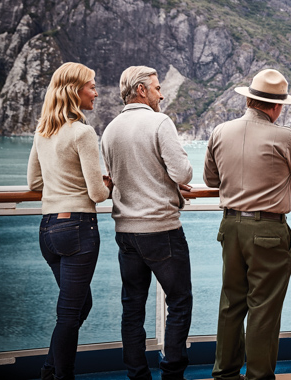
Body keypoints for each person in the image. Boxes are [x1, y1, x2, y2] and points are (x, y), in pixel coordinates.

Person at [204, 68, 291, 380]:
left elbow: (210, 179)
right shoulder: (285, 137)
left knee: (231, 303)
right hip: (268, 230)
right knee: (264, 308)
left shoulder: (220, 131)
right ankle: (258, 377)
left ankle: (225, 374)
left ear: (250, 99)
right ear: (277, 106)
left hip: (230, 227)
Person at [101, 66, 193, 380]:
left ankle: (137, 374)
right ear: (142, 90)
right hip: (161, 229)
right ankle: (172, 373)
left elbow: (114, 178)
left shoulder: (110, 129)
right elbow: (182, 173)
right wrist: (173, 180)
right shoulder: (159, 122)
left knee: (132, 307)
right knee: (179, 301)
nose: (162, 93)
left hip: (126, 231)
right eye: (156, 88)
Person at [27, 62, 111, 380]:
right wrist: (108, 183)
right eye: (91, 85)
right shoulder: (82, 132)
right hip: (78, 228)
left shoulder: (43, 132)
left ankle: (49, 369)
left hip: (48, 229)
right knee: (69, 314)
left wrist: (61, 184)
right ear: (75, 90)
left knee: (79, 305)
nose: (96, 91)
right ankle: (61, 376)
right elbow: (97, 193)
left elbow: (34, 182)